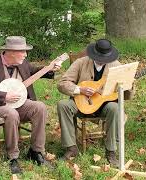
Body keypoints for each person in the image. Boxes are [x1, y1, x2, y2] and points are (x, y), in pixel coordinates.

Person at [0, 36, 62, 174]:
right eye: (23, 51)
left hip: (19, 104)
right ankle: (12, 157)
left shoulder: (22, 63)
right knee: (11, 113)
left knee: (40, 107)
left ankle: (36, 151)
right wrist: (4, 96)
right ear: (11, 52)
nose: (26, 54)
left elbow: (34, 70)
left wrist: (50, 69)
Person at [57, 39, 134, 167]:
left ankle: (111, 151)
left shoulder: (116, 65)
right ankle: (71, 148)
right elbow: (62, 83)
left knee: (115, 108)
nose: (102, 60)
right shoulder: (80, 62)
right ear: (93, 54)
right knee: (63, 105)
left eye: (105, 58)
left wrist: (129, 84)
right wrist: (80, 89)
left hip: (105, 106)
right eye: (99, 57)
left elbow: (125, 94)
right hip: (81, 103)